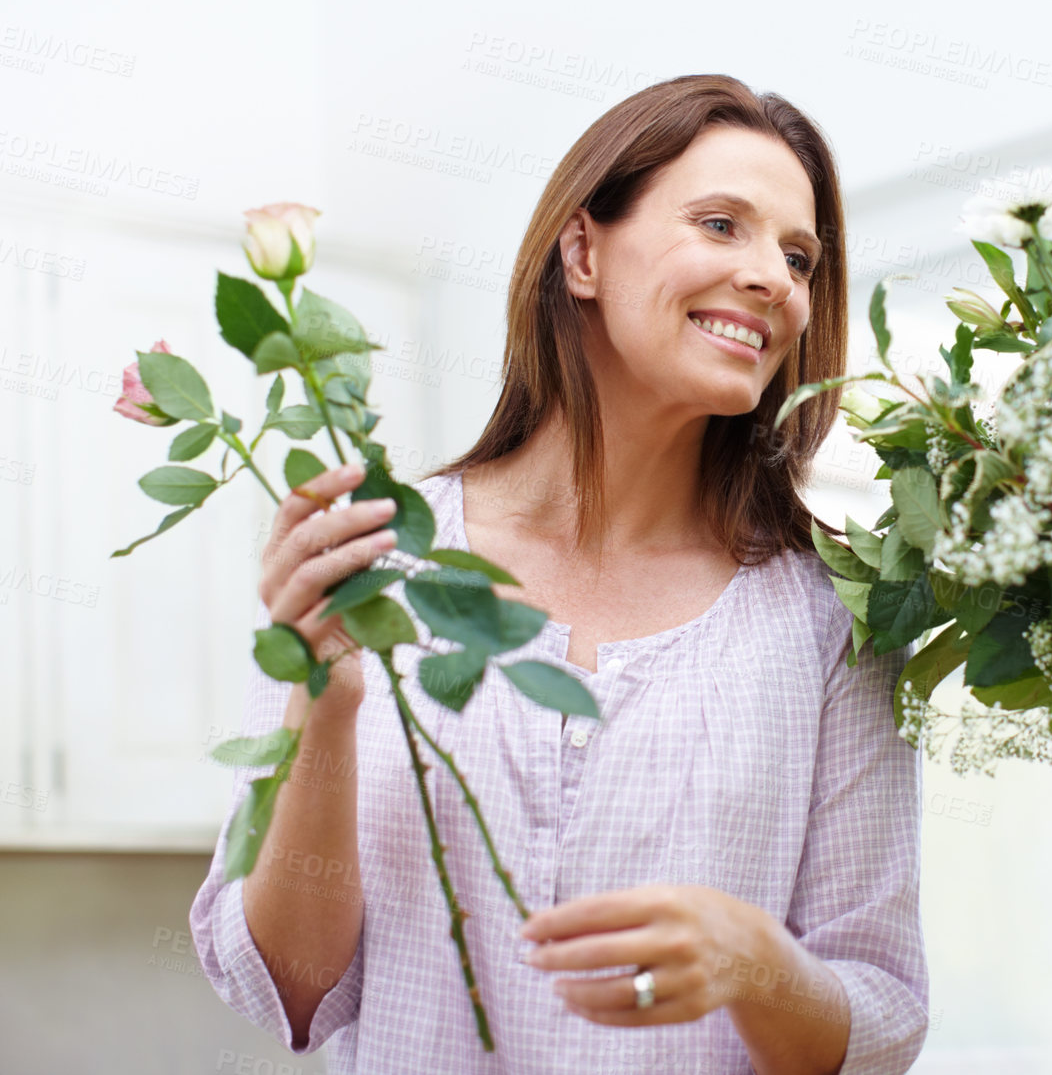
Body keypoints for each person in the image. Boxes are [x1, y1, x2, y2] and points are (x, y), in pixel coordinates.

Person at [187, 74, 929, 1075]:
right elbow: (289, 986)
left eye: (798, 257)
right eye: (722, 224)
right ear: (583, 251)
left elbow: (879, 1019)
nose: (775, 279)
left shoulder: (832, 620)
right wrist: (324, 698)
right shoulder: (376, 559)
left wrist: (755, 962)